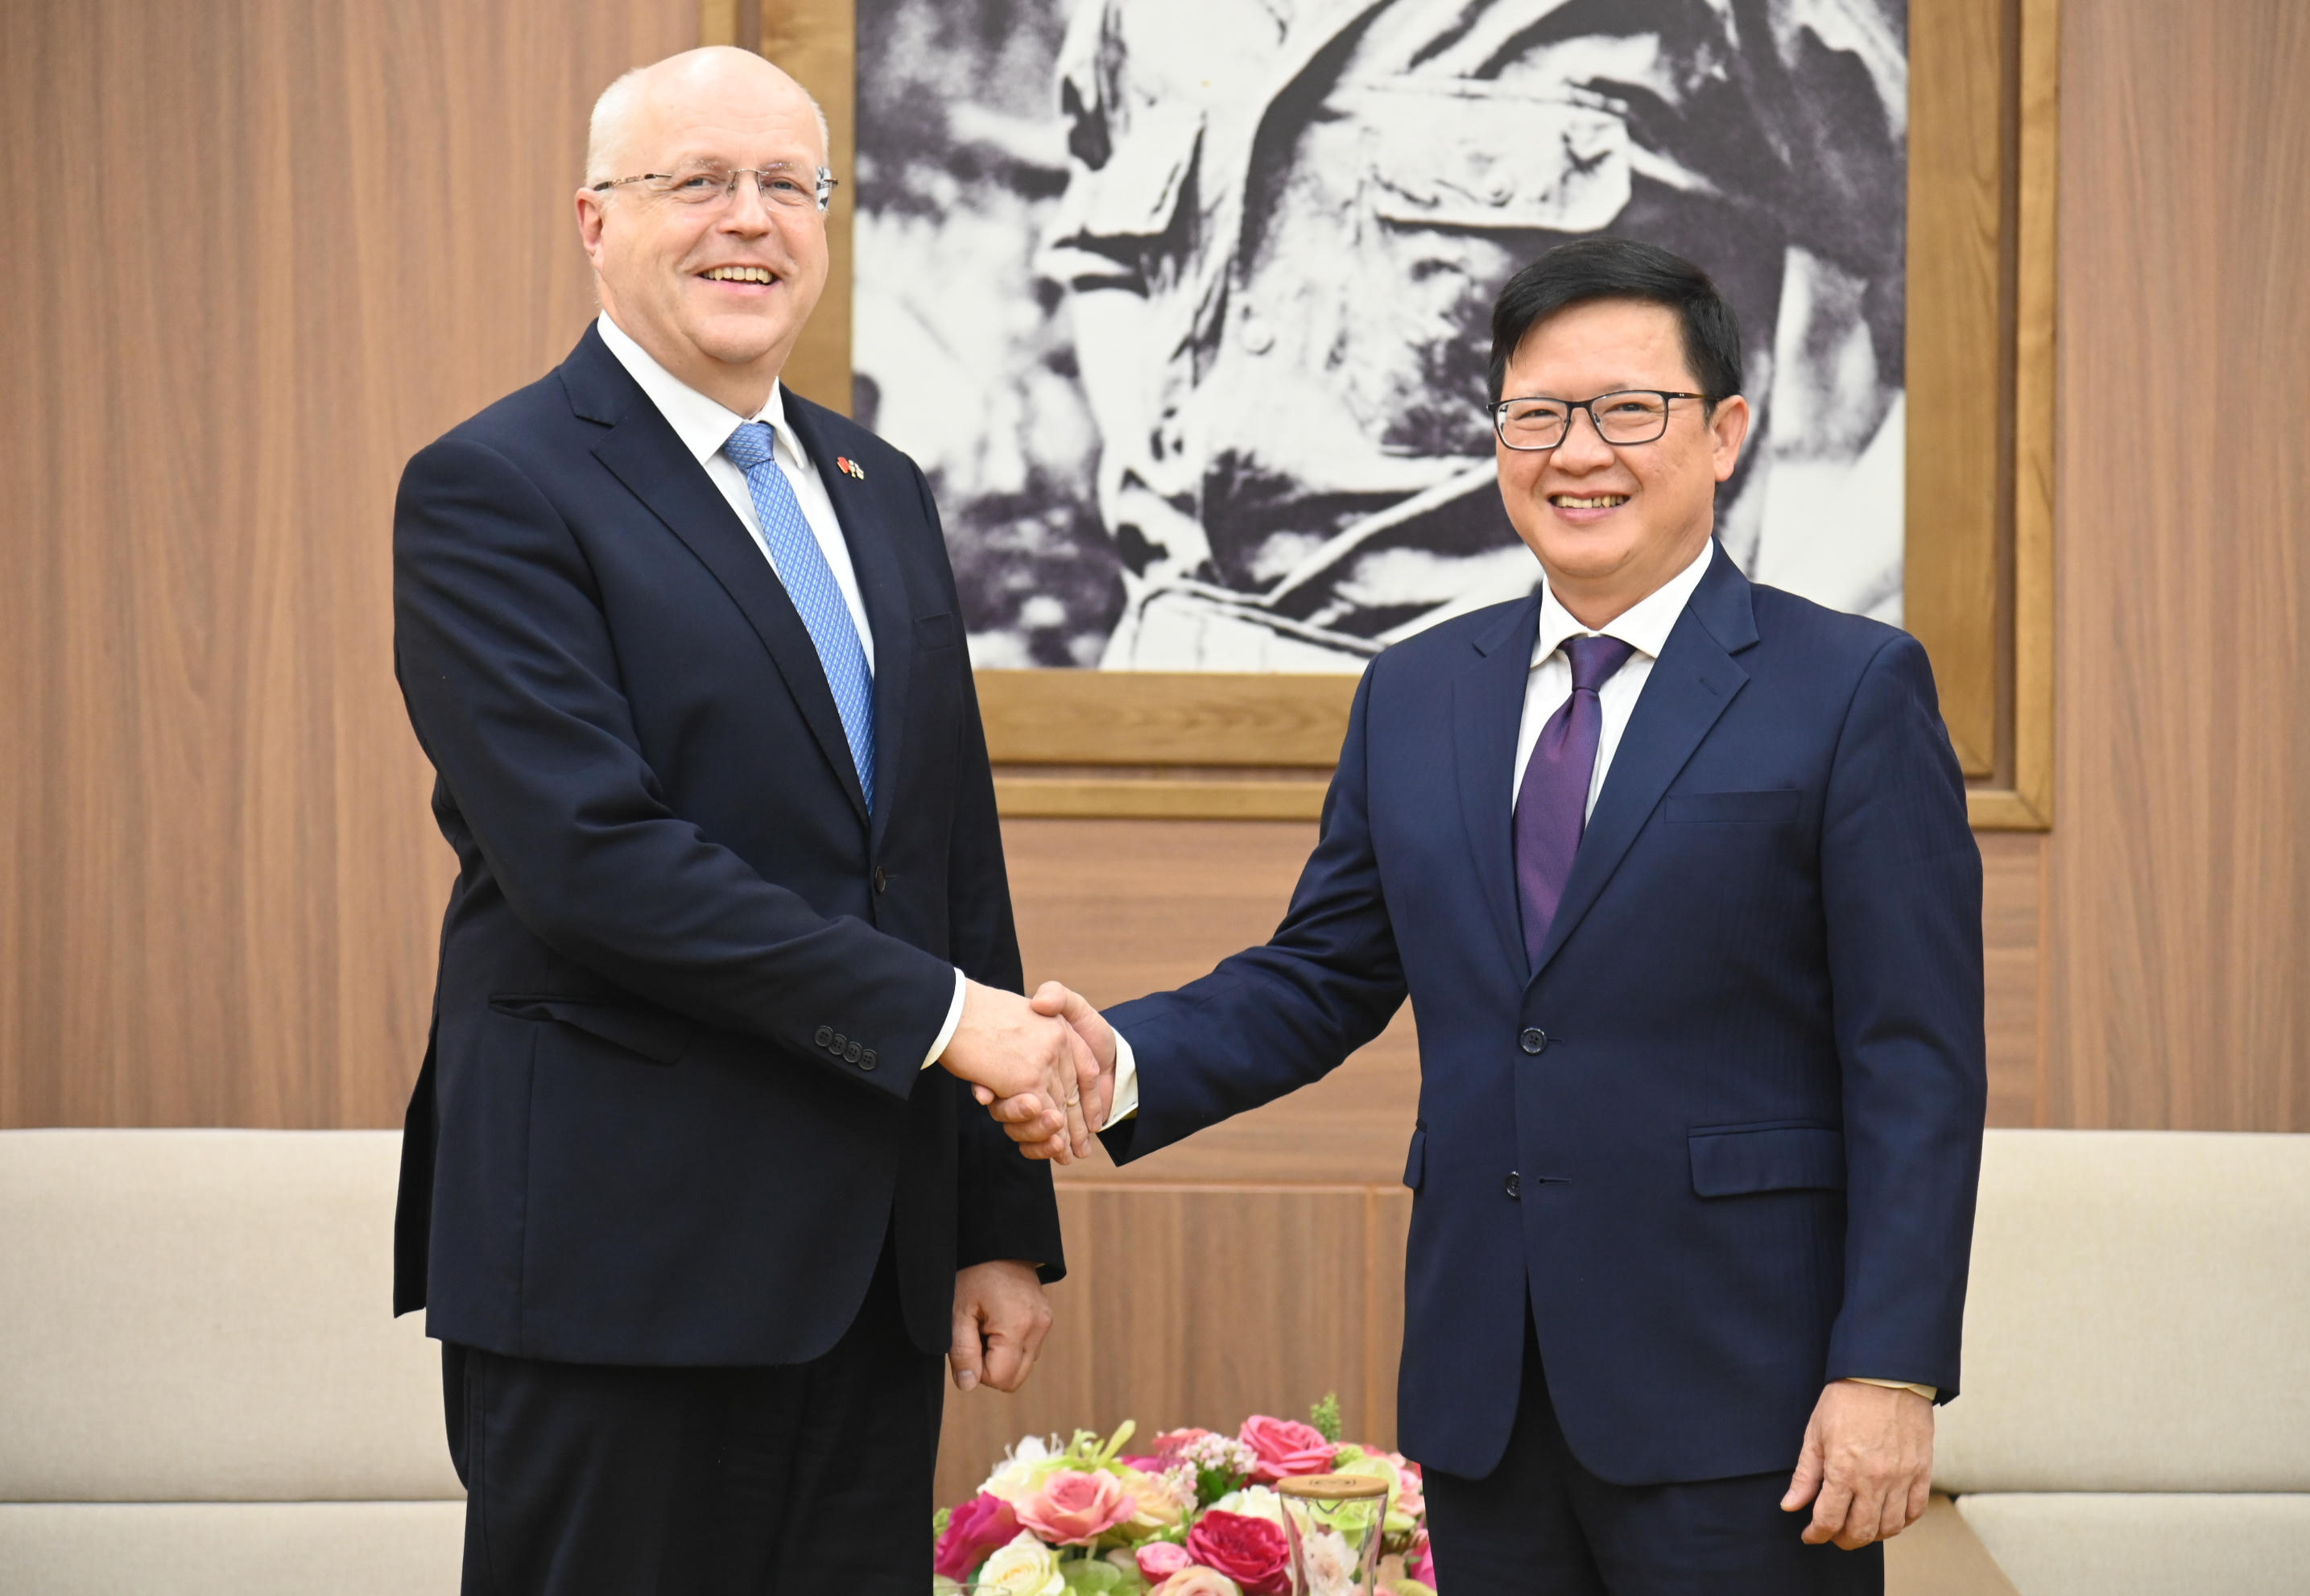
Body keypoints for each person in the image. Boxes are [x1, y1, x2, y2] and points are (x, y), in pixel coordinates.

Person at [1027, 239, 1985, 1592]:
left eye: (1627, 410)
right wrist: (1113, 1059)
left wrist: (1888, 1365)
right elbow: (1319, 975)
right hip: (1486, 1396)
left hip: (1746, 1404)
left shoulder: (1848, 687)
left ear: (1724, 433)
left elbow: (1914, 1060)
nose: (1575, 452)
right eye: (1535, 414)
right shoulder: (1416, 691)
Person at [388, 47, 1099, 1594]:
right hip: (619, 1262)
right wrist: (948, 1021)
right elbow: (592, 863)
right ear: (596, 219)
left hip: (870, 1270)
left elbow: (942, 858)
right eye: (697, 180)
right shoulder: (493, 488)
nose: (749, 218)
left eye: (788, 184)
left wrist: (992, 1217)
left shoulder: (877, 483)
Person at [1040, 0, 1909, 668]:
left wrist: (1783, 643)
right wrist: (1153, 477)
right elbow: (1106, 248)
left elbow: (1970, 316)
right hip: (1168, 688)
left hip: (1540, 728)